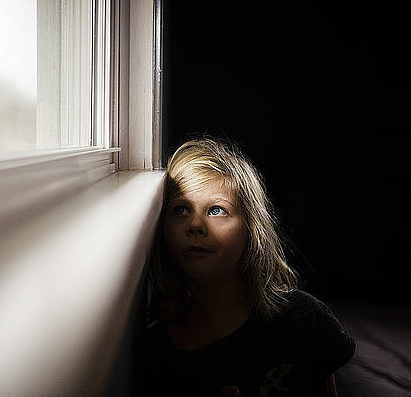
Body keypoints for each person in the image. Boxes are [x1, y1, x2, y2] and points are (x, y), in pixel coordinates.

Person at [141, 138, 355, 396]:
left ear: (250, 229)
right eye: (181, 210)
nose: (195, 224)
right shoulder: (157, 350)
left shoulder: (304, 320)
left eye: (217, 210)